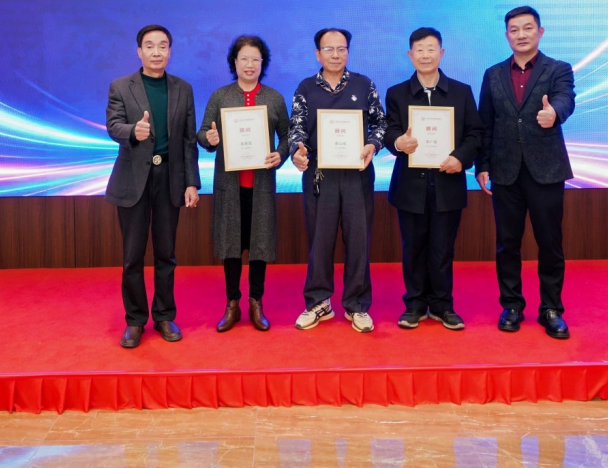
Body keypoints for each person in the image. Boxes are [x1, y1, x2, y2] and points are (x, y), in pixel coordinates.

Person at [476, 6, 575, 339]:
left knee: (550, 243)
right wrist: (482, 165)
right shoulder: (493, 74)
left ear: (540, 32)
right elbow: (486, 123)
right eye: (514, 29)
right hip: (505, 170)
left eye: (528, 28)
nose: (521, 34)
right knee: (507, 243)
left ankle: (551, 309)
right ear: (507, 35)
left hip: (546, 169)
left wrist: (554, 113)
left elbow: (565, 98)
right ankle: (512, 305)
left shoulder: (558, 68)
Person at [105, 25, 201, 349]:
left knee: (166, 253)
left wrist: (191, 182)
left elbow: (188, 141)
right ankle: (134, 320)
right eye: (149, 46)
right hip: (133, 180)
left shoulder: (183, 89)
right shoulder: (121, 86)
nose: (156, 52)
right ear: (139, 52)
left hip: (169, 179)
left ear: (169, 51)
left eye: (162, 46)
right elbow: (113, 126)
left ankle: (164, 315)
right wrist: (134, 131)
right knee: (132, 256)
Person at [384, 27, 482, 330]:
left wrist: (460, 158)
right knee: (413, 248)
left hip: (447, 183)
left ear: (441, 53)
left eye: (431, 49)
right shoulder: (397, 93)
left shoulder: (461, 92)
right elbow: (389, 130)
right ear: (410, 55)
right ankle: (414, 304)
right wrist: (398, 142)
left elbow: (475, 133)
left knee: (442, 248)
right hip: (410, 186)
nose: (425, 55)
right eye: (419, 50)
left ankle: (442, 305)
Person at [289, 28, 386, 333]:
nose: (335, 54)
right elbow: (296, 127)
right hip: (320, 173)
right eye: (328, 49)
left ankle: (357, 305)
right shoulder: (306, 87)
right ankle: (319, 302)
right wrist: (297, 151)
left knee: (358, 240)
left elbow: (380, 123)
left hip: (357, 172)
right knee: (320, 240)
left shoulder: (364, 84)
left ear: (348, 52)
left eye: (341, 49)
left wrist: (373, 144)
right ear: (317, 54)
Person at [197, 35, 290, 333]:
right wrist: (209, 139)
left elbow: (287, 136)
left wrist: (281, 154)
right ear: (234, 62)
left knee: (259, 246)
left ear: (263, 63)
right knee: (231, 247)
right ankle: (232, 303)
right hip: (230, 186)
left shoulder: (274, 98)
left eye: (255, 59)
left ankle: (256, 302)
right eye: (244, 59)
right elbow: (203, 133)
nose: (250, 65)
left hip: (260, 185)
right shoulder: (220, 96)